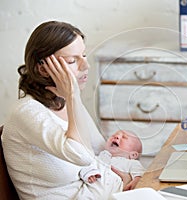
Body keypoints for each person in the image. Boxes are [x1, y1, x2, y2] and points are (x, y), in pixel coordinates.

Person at [1, 21, 134, 200]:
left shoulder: (63, 102)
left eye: (84, 55)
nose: (85, 66)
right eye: (72, 60)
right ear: (43, 68)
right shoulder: (27, 112)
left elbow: (102, 152)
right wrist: (73, 97)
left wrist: (129, 176)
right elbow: (83, 156)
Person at [79, 130, 145, 191]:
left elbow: (141, 173)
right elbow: (87, 165)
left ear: (133, 155)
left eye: (124, 137)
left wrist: (137, 180)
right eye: (113, 135)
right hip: (93, 189)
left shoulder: (131, 163)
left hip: (114, 192)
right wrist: (88, 174)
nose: (117, 136)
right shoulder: (100, 157)